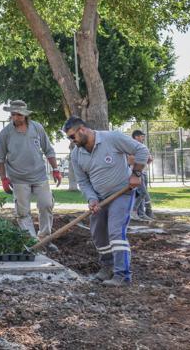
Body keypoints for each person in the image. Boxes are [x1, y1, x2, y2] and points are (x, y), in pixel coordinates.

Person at [63, 116, 150, 287]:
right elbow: (83, 182)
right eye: (69, 138)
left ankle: (122, 275)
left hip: (122, 193)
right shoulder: (76, 154)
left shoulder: (112, 138)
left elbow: (142, 151)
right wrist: (92, 198)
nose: (71, 141)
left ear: (82, 130)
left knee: (116, 231)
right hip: (100, 198)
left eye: (72, 136)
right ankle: (107, 266)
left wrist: (136, 174)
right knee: (98, 233)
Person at [0, 100, 62, 251]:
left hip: (39, 176)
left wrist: (56, 169)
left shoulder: (37, 128)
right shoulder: (5, 133)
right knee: (22, 212)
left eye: (19, 114)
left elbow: (48, 150)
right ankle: (32, 242)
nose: (16, 117)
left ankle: (44, 238)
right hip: (18, 179)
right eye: (13, 114)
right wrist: (4, 179)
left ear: (25, 115)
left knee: (46, 204)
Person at [128, 130, 154, 221]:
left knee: (142, 193)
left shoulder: (142, 146)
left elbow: (149, 159)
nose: (143, 138)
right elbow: (130, 159)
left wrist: (148, 159)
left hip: (143, 172)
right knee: (143, 193)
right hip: (136, 173)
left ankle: (141, 213)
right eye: (141, 136)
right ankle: (133, 210)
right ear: (136, 137)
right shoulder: (132, 146)